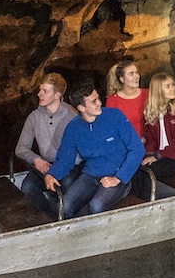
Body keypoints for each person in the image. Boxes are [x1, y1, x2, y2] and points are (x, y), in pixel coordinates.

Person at [44, 76, 145, 217]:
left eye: (98, 98)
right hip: (90, 175)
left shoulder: (115, 116)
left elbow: (137, 149)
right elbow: (65, 159)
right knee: (63, 207)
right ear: (81, 107)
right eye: (94, 101)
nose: (99, 103)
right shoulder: (73, 128)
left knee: (96, 206)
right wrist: (51, 174)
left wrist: (119, 178)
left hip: (117, 174)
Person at [14, 72, 75, 218]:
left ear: (57, 95)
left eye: (44, 91)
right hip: (46, 163)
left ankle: (69, 217)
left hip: (70, 164)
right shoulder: (34, 117)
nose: (39, 94)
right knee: (28, 187)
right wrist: (36, 159)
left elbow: (78, 153)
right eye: (40, 90)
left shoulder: (72, 116)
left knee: (67, 185)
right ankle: (51, 217)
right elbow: (21, 148)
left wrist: (57, 169)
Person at [135, 72, 175, 196]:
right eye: (167, 86)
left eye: (173, 85)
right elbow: (150, 139)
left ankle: (148, 205)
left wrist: (158, 156)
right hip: (159, 155)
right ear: (158, 90)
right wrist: (149, 155)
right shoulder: (151, 111)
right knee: (136, 168)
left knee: (149, 173)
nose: (173, 88)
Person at [104, 56, 147, 137]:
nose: (137, 76)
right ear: (122, 79)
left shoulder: (147, 94)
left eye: (137, 72)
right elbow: (111, 129)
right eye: (131, 74)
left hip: (150, 143)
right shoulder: (113, 101)